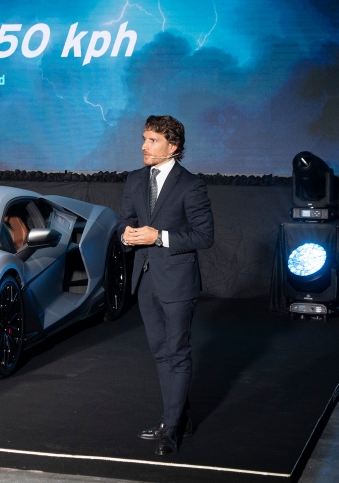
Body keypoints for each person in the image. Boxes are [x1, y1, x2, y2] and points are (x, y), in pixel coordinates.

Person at [118, 115, 214, 455]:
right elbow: (126, 222)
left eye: (152, 140)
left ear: (172, 146)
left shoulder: (191, 185)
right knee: (161, 353)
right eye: (143, 138)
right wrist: (126, 236)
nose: (144, 146)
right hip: (145, 278)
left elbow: (205, 236)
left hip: (177, 281)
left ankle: (170, 427)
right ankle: (180, 418)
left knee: (177, 352)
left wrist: (159, 237)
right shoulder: (134, 179)